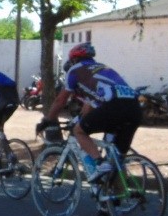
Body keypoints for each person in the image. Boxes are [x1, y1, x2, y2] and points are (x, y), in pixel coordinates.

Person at [40, 42, 142, 183]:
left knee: (79, 131)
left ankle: (99, 162)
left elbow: (60, 100)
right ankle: (116, 199)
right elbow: (88, 108)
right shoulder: (103, 68)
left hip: (115, 106)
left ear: (74, 60)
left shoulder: (75, 70)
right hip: (135, 109)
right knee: (116, 160)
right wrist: (78, 119)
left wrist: (48, 120)